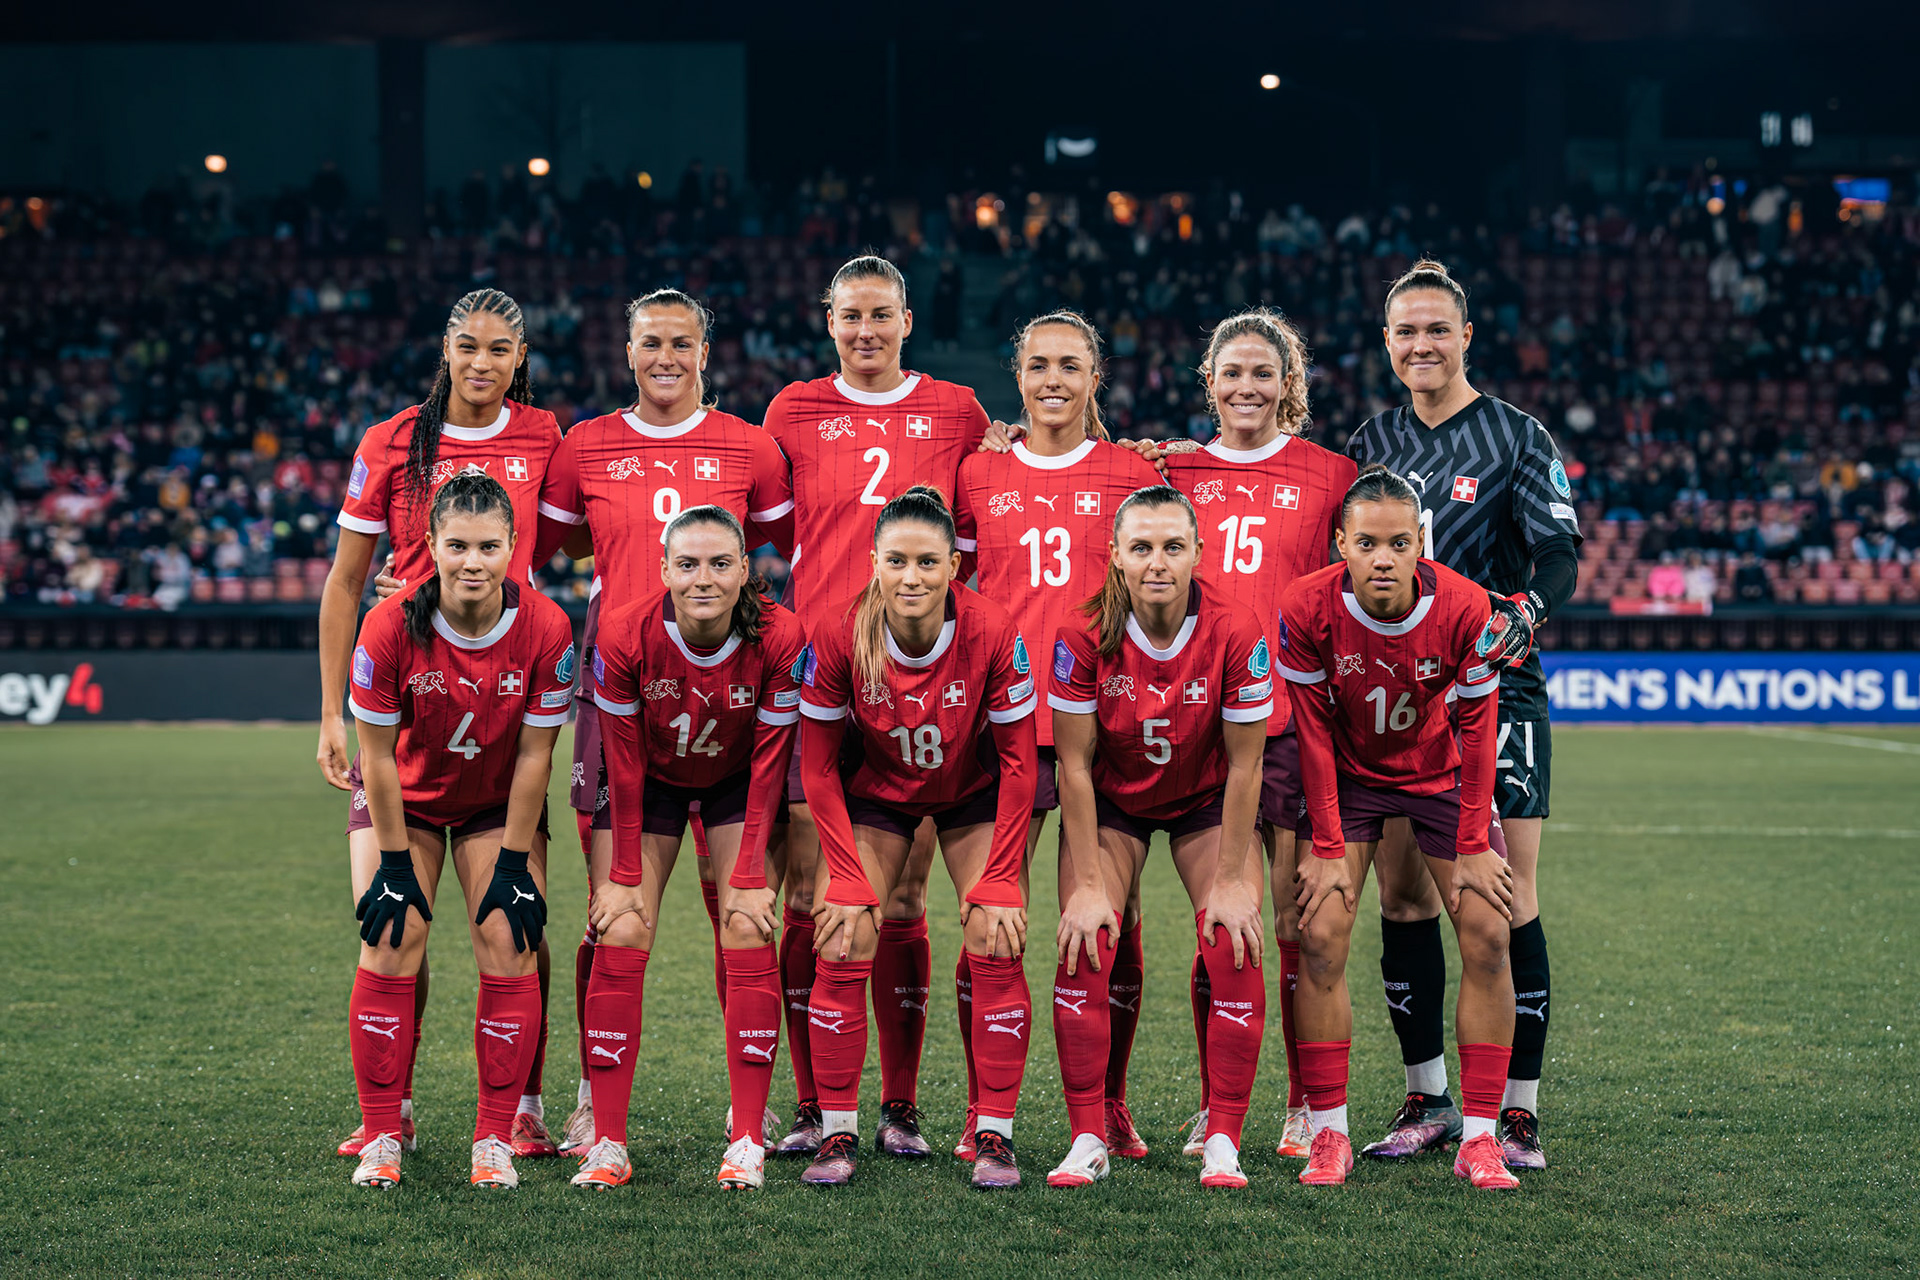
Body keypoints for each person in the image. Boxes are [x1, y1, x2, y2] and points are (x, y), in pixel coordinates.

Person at [539, 287, 794, 1154]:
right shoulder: (585, 448)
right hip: (620, 695)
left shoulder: (752, 447)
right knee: (610, 909)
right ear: (628, 348)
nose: (665, 357)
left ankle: (745, 1105)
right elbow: (556, 547)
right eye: (650, 341)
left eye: (681, 342)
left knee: (743, 902)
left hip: (729, 691)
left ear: (705, 351)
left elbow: (780, 544)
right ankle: (588, 1094)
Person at [320, 288, 569, 1162]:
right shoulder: (392, 441)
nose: (482, 362)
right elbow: (346, 583)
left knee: (517, 923)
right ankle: (393, 1108)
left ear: (520, 356)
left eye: (500, 349)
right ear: (447, 349)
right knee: (399, 925)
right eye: (468, 346)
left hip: (503, 695)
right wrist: (330, 716)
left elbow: (590, 533)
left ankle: (522, 1108)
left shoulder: (545, 436)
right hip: (409, 692)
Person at [1343, 259, 1580, 1170]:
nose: (1422, 345)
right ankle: (1427, 1097)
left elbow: (1559, 554)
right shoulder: (1374, 438)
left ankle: (1516, 1111)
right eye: (1406, 331)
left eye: (1437, 329)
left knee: (1507, 896)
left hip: (1497, 688)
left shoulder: (1518, 438)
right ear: (1389, 341)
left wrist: (1527, 612)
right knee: (1403, 895)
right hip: (1397, 697)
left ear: (1466, 336)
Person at [762, 255, 991, 1159]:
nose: (866, 331)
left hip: (923, 684)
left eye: (881, 316)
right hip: (825, 682)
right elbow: (761, 525)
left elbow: (993, 511)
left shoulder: (959, 410)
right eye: (850, 316)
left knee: (901, 898)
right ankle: (816, 1106)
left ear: (907, 321)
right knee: (813, 897)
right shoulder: (791, 411)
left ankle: (898, 1109)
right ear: (829, 321)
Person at [950, 309, 1158, 1159]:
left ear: (1095, 377)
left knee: (1107, 920)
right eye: (1038, 366)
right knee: (988, 919)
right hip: (997, 725)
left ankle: (1106, 1103)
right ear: (1018, 374)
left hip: (1096, 729)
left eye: (1070, 366)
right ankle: (981, 1109)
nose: (1053, 382)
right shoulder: (977, 472)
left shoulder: (1131, 474)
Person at [1276, 463, 1518, 1191]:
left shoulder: (1468, 607)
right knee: (1318, 935)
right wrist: (1324, 849)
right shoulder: (1305, 606)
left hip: (1443, 775)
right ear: (1340, 544)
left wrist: (1474, 844)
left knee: (1488, 931)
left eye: (1400, 543)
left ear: (1421, 544)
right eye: (1368, 543)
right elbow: (1312, 733)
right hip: (1349, 777)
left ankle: (1481, 1138)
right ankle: (1329, 1136)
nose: (1384, 558)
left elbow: (1480, 730)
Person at [796, 486, 1038, 1188]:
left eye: (928, 562)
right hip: (878, 796)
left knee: (995, 929)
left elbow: (1021, 764)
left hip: (970, 793)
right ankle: (838, 1134)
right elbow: (815, 768)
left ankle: (994, 1132)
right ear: (873, 563)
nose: (912, 577)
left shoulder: (992, 630)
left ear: (954, 565)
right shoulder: (841, 634)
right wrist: (843, 873)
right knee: (843, 932)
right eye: (897, 561)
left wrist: (998, 875)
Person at [341, 472, 575, 1189]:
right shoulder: (387, 627)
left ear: (512, 546)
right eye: (457, 546)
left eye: (489, 546)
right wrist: (392, 862)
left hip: (493, 804)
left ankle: (493, 1139)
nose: (473, 562)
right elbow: (376, 758)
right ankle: (383, 1131)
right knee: (391, 931)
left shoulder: (546, 627)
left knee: (510, 936)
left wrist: (512, 862)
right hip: (401, 802)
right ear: (431, 547)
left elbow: (537, 753)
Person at [1161, 308, 1357, 1162]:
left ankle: (1303, 1105)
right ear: (1210, 382)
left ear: (1289, 384)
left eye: (1262, 373)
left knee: (1286, 921)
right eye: (1231, 373)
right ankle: (1218, 1102)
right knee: (1217, 925)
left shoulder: (1330, 475)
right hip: (1192, 718)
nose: (1247, 387)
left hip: (1284, 722)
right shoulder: (1171, 469)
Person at [568, 506, 807, 1192]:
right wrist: (620, 879)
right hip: (650, 782)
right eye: (690, 564)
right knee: (622, 926)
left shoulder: (782, 635)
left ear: (746, 573)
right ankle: (608, 1143)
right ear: (665, 569)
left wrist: (754, 873)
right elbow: (622, 760)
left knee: (746, 923)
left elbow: (768, 764)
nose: (704, 578)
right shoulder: (622, 632)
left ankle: (747, 1140)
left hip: (738, 782)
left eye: (721, 564)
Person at [1046, 485, 1270, 1190]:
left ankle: (1223, 1137)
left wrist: (1233, 881)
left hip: (1205, 799)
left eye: (1173, 547)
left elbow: (1246, 763)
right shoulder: (1081, 630)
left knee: (1232, 937)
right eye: (1140, 547)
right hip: (1113, 801)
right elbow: (1073, 766)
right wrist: (1086, 887)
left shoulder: (1237, 627)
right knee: (1085, 941)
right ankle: (1089, 1134)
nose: (1157, 563)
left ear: (1199, 553)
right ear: (1114, 556)